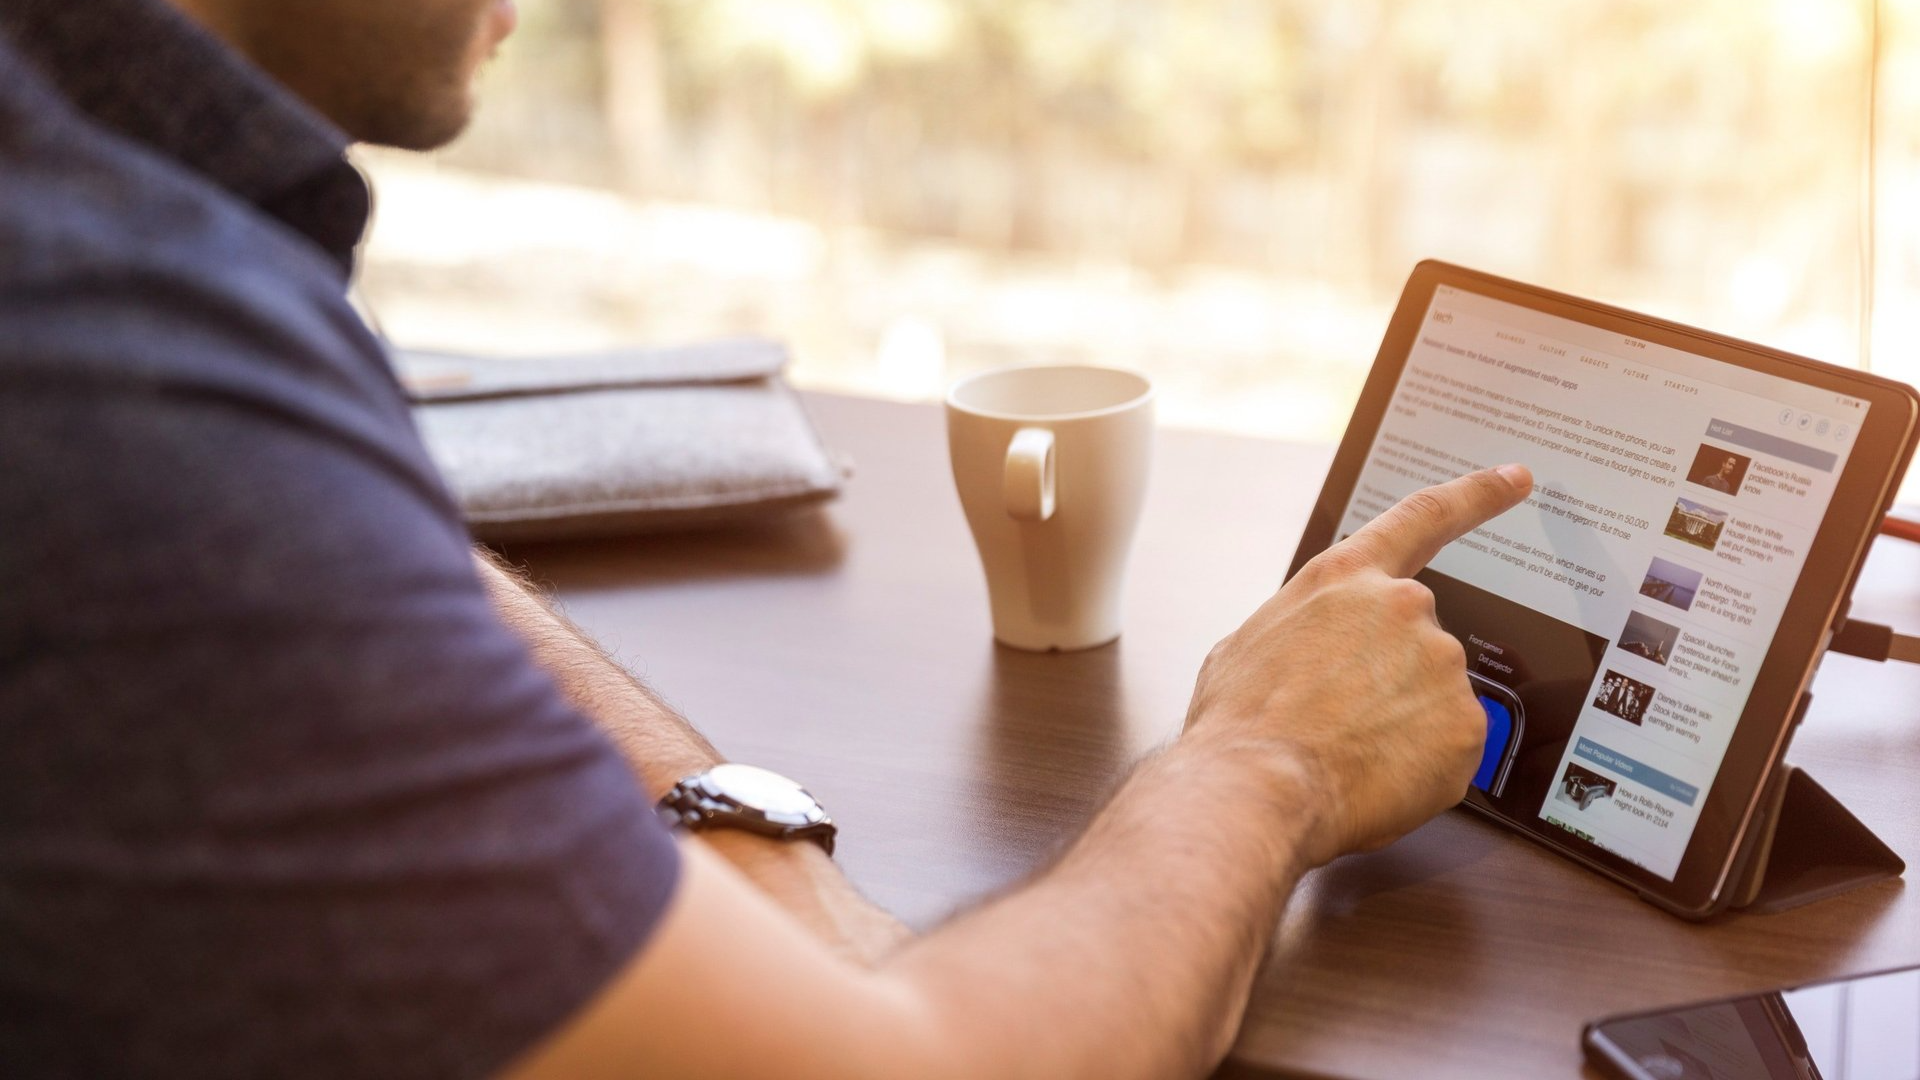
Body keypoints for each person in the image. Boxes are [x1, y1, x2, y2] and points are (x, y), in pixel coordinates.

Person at [0, 1, 1534, 1077]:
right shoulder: (101, 362)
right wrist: (1271, 760)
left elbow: (315, 544)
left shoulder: (112, 243)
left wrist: (745, 838)